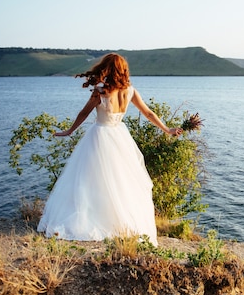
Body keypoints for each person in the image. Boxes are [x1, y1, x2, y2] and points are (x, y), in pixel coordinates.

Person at [37, 53, 182, 244]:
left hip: (100, 135)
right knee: (121, 180)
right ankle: (119, 223)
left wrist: (69, 131)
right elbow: (148, 112)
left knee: (90, 180)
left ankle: (95, 219)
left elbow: (84, 113)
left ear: (107, 68)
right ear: (123, 70)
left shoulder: (101, 90)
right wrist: (167, 129)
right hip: (120, 136)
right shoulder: (130, 90)